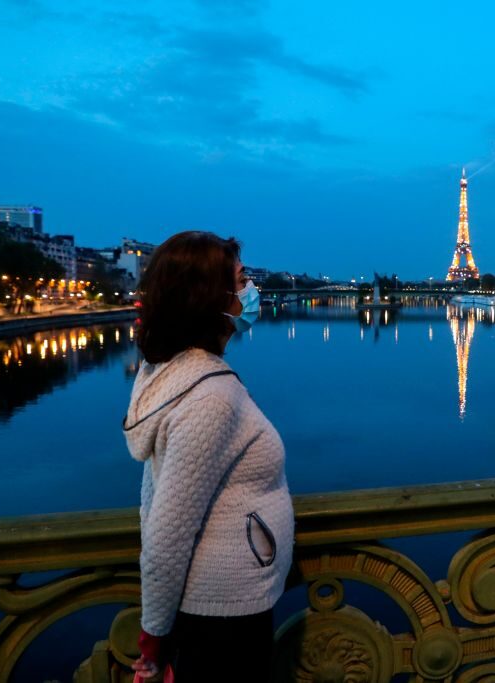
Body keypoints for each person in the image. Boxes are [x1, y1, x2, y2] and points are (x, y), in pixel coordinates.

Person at [123, 231, 294, 681]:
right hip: (225, 618)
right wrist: (153, 641)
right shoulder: (210, 398)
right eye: (241, 281)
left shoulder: (169, 372)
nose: (251, 290)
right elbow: (167, 534)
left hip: (219, 607)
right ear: (208, 298)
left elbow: (154, 497)